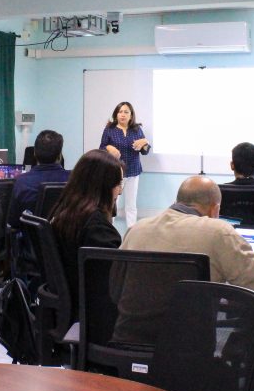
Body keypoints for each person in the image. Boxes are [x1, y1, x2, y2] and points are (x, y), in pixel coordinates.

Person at [117, 175, 254, 343]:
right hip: (187, 349)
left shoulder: (137, 229)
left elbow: (115, 289)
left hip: (127, 341)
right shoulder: (217, 231)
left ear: (178, 201)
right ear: (215, 209)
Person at [48, 149, 123, 313]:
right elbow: (114, 282)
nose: (120, 191)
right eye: (119, 185)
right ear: (104, 187)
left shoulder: (62, 212)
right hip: (94, 313)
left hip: (70, 308)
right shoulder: (98, 229)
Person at [99, 102, 150, 228]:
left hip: (133, 172)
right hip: (115, 173)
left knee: (131, 206)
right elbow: (101, 149)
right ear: (116, 114)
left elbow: (145, 151)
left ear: (131, 115)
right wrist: (108, 148)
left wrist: (145, 142)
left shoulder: (137, 130)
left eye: (126, 112)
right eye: (120, 111)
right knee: (112, 204)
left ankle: (131, 232)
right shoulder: (109, 129)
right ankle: (110, 231)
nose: (123, 114)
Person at [8, 129, 70, 227]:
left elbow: (13, 221)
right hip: (66, 238)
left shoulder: (21, 182)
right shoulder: (73, 180)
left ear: (34, 154)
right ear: (59, 156)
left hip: (31, 240)